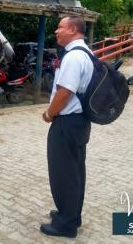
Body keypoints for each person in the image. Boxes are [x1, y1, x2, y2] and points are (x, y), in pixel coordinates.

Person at [40, 16, 94, 238]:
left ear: (72, 29)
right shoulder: (87, 53)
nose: (56, 31)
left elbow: (65, 92)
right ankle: (70, 214)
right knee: (74, 170)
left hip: (67, 122)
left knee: (64, 173)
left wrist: (49, 113)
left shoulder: (73, 57)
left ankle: (66, 224)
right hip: (79, 122)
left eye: (60, 27)